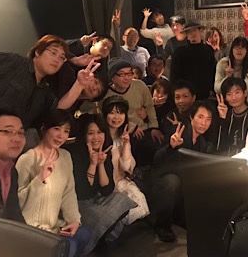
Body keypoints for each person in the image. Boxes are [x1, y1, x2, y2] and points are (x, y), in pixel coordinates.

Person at [0, 35, 99, 183]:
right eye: (53, 52)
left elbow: (56, 110)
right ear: (38, 52)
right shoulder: (12, 62)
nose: (57, 60)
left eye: (62, 58)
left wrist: (79, 85)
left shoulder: (44, 91)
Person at [16, 109, 91, 257]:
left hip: (53, 225)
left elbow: (68, 193)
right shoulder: (26, 160)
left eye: (66, 131)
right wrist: (40, 178)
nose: (61, 135)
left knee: (84, 234)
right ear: (44, 129)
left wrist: (74, 220)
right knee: (70, 246)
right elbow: (19, 201)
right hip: (31, 227)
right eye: (57, 129)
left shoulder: (65, 156)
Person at [65, 113, 137, 254]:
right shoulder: (75, 153)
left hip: (96, 197)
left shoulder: (105, 150)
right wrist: (92, 164)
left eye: (100, 132)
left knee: (122, 199)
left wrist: (101, 164)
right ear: (84, 135)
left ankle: (102, 239)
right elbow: (84, 192)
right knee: (101, 216)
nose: (96, 137)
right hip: (77, 201)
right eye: (91, 133)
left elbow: (107, 190)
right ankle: (95, 244)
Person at [150, 101, 214, 242]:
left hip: (184, 185)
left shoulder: (202, 142)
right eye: (200, 117)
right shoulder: (178, 130)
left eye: (208, 119)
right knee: (173, 181)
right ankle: (161, 225)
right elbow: (157, 158)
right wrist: (171, 146)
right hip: (163, 181)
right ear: (191, 117)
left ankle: (180, 215)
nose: (204, 123)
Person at [103, 59, 164, 166]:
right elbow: (106, 117)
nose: (127, 78)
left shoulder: (140, 85)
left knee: (160, 148)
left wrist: (154, 127)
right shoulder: (106, 94)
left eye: (129, 73)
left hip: (144, 128)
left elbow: (149, 106)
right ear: (112, 77)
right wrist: (131, 126)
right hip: (121, 132)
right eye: (122, 74)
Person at [101, 96, 150, 224]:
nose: (116, 117)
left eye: (120, 113)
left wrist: (126, 144)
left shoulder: (123, 136)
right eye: (112, 113)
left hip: (122, 182)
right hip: (105, 187)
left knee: (139, 204)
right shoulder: (99, 138)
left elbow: (126, 167)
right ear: (105, 115)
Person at [215, 78, 248, 156]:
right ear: (225, 98)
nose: (233, 97)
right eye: (229, 94)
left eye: (237, 92)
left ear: (245, 93)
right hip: (227, 160)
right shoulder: (227, 115)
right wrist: (222, 118)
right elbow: (220, 145)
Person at [170, 22, 216, 100]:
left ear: (201, 31)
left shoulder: (208, 50)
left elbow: (212, 70)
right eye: (188, 32)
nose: (191, 34)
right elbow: (174, 76)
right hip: (186, 94)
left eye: (194, 30)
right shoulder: (180, 52)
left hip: (205, 92)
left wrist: (211, 89)